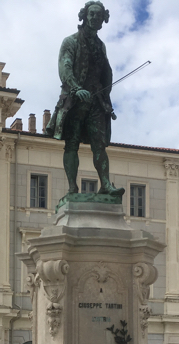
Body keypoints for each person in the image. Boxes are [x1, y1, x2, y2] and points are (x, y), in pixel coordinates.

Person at [45, 1, 125, 198]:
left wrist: (106, 94)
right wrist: (76, 88)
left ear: (104, 19)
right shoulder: (70, 41)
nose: (95, 18)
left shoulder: (101, 46)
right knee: (71, 143)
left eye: (99, 15)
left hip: (96, 101)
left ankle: (105, 184)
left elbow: (105, 72)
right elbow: (65, 67)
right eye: (92, 14)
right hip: (75, 100)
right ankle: (72, 187)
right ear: (84, 16)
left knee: (100, 144)